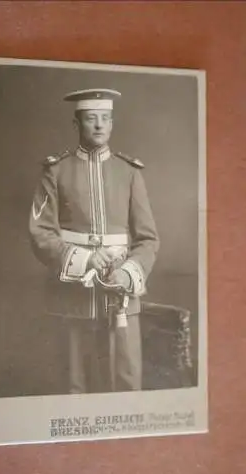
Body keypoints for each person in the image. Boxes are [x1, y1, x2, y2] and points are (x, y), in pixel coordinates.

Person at [29, 89, 159, 394]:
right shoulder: (55, 171)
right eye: (90, 119)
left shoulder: (129, 173)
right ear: (76, 125)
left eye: (105, 119)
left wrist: (128, 272)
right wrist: (85, 258)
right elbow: (40, 233)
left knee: (125, 384)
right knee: (74, 385)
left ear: (112, 124)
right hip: (72, 299)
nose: (99, 125)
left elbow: (148, 239)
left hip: (121, 298)